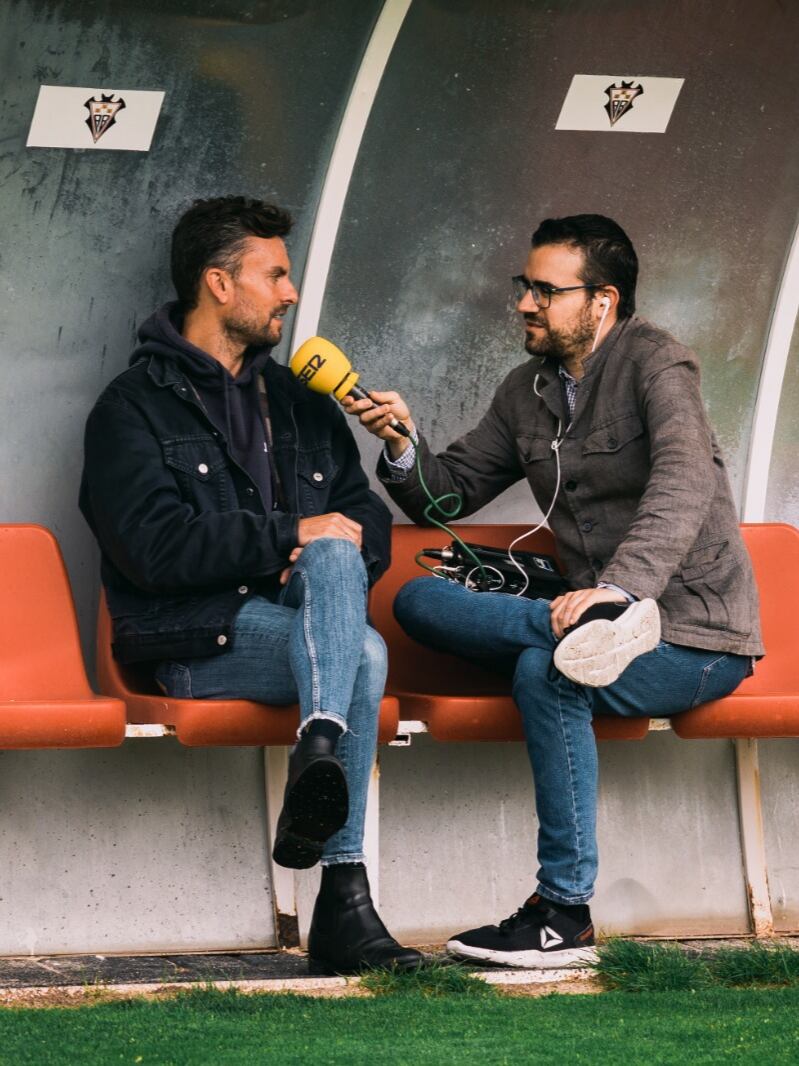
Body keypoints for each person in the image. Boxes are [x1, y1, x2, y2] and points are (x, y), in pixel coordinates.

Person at [345, 214, 763, 969]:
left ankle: (561, 912)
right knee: (415, 601)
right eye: (523, 287)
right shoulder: (526, 391)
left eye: (544, 289)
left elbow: (683, 483)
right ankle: (573, 635)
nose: (524, 304)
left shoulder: (657, 365)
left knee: (549, 670)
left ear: (600, 300)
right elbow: (449, 496)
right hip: (582, 624)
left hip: (693, 634)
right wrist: (402, 444)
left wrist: (618, 592)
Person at [79, 196, 421, 975]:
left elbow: (366, 524)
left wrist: (326, 538)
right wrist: (285, 538)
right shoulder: (130, 410)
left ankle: (318, 745)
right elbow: (152, 553)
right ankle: (342, 901)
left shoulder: (304, 405)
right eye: (276, 275)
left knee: (338, 551)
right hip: (197, 638)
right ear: (219, 285)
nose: (291, 292)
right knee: (361, 655)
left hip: (300, 629)